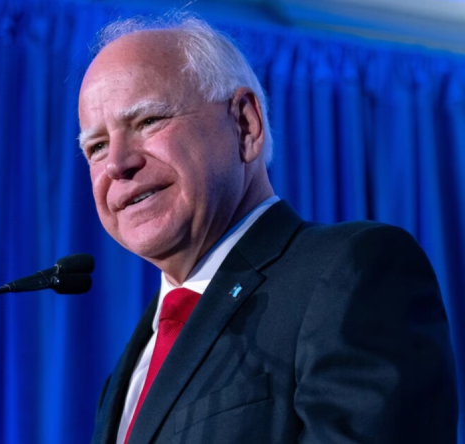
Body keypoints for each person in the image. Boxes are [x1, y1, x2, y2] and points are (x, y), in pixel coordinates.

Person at [77, 14, 458, 444]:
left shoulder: (353, 273)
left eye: (148, 121)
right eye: (97, 146)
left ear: (245, 124)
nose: (117, 164)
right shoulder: (129, 368)